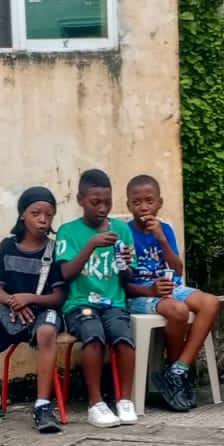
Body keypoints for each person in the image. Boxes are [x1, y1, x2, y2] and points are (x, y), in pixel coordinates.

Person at [0, 186, 67, 434]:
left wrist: (29, 298)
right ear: (22, 214)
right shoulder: (8, 246)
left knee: (46, 332)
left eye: (49, 215)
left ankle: (43, 406)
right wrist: (13, 302)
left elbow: (59, 296)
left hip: (44, 312)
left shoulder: (54, 250)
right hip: (12, 315)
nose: (42, 220)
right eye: (36, 213)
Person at [125, 174, 221, 413]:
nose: (144, 207)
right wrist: (151, 290)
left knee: (210, 303)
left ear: (160, 203)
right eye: (137, 202)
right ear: (128, 206)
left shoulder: (165, 229)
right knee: (179, 310)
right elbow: (122, 283)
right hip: (140, 294)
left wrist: (161, 239)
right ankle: (174, 375)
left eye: (149, 201)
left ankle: (177, 371)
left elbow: (177, 269)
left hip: (171, 288)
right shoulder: (125, 233)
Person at [54, 168, 138, 428]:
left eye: (107, 202)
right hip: (80, 304)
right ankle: (96, 403)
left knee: (123, 336)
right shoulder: (68, 232)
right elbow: (65, 273)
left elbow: (128, 278)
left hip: (114, 303)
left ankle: (125, 400)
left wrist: (125, 265)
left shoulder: (122, 230)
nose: (102, 208)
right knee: (93, 334)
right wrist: (91, 245)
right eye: (95, 202)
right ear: (80, 199)